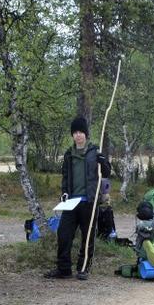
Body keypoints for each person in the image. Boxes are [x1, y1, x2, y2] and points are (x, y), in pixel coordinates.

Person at [44, 117, 111, 280]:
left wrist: (103, 162)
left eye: (81, 132)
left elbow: (107, 173)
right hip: (71, 201)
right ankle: (64, 269)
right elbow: (65, 177)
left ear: (86, 134)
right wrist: (64, 192)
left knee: (88, 236)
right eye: (75, 132)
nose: (78, 135)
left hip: (90, 200)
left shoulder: (95, 152)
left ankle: (83, 268)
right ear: (72, 135)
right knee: (63, 233)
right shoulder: (68, 154)